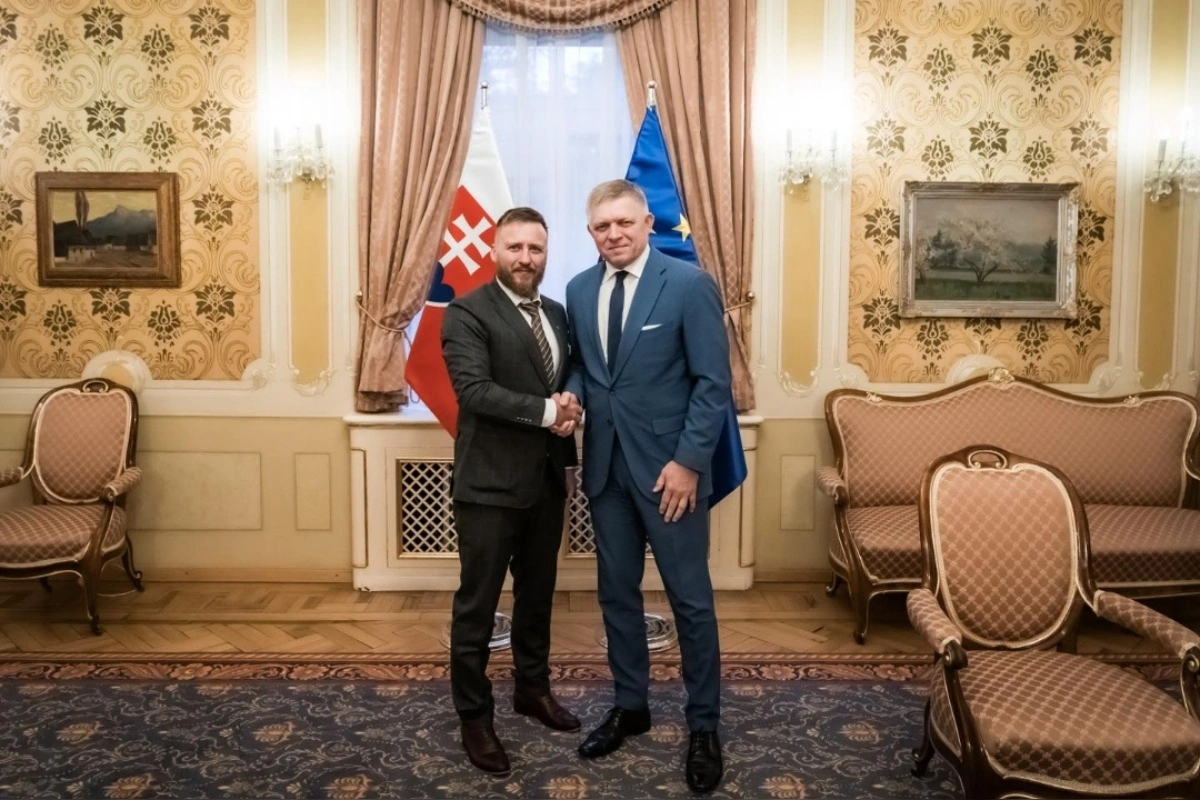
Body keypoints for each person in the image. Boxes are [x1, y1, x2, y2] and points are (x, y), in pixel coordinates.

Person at [559, 180, 731, 793]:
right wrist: (571, 394)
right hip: (606, 471)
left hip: (670, 475)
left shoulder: (688, 285)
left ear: (648, 223)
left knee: (690, 601)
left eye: (624, 223)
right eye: (602, 226)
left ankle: (703, 725)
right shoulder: (578, 290)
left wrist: (688, 462)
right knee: (616, 596)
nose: (614, 234)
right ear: (591, 232)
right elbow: (585, 367)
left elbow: (712, 383)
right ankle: (630, 706)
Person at [441, 206, 584, 775]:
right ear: (493, 250)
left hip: (547, 482)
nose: (526, 258)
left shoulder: (557, 313)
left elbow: (568, 378)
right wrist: (551, 411)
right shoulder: (467, 311)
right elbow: (474, 391)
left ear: (546, 254)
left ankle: (532, 689)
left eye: (536, 248)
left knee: (537, 596)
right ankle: (475, 717)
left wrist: (569, 408)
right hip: (488, 486)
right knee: (476, 608)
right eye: (515, 247)